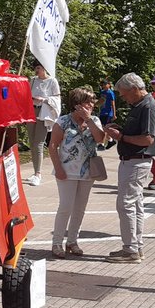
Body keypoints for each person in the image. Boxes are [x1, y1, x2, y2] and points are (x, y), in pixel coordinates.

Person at [103, 73, 155, 263]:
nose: (123, 97)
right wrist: (121, 129)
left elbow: (147, 138)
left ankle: (131, 250)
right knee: (134, 204)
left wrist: (121, 137)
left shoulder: (148, 106)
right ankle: (135, 247)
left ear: (135, 89)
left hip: (137, 160)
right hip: (134, 159)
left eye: (124, 94)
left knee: (126, 204)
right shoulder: (140, 105)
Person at [49, 86, 106, 258]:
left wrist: (89, 120)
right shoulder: (63, 121)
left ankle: (72, 241)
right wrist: (58, 168)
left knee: (80, 208)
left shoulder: (94, 120)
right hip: (66, 171)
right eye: (88, 102)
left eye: (92, 102)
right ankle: (57, 243)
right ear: (77, 104)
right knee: (65, 207)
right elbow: (53, 145)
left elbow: (100, 139)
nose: (92, 105)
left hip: (88, 171)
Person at [27, 64, 61, 185]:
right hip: (31, 111)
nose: (36, 70)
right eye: (36, 68)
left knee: (38, 143)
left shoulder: (52, 81)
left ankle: (38, 174)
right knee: (32, 142)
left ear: (45, 68)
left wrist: (43, 99)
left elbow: (57, 99)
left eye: (39, 68)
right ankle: (35, 171)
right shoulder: (33, 80)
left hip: (44, 112)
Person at [97, 80, 116, 149]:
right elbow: (101, 101)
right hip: (102, 112)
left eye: (104, 84)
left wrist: (114, 114)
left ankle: (101, 144)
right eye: (102, 85)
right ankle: (111, 140)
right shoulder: (102, 92)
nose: (103, 86)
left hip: (108, 113)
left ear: (108, 84)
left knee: (104, 128)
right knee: (102, 127)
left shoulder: (110, 93)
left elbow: (113, 104)